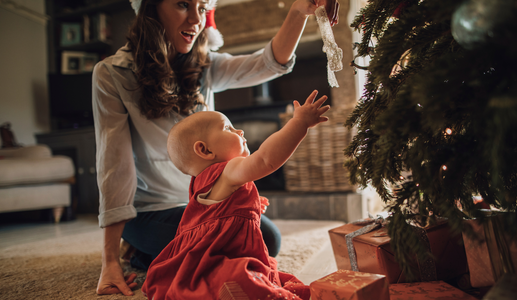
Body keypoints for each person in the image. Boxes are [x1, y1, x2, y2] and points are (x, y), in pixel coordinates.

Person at [92, 0, 339, 296]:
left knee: (267, 238)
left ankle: (150, 253)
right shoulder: (111, 73)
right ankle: (141, 247)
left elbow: (268, 62)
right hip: (148, 211)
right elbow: (114, 164)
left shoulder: (204, 65)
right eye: (183, 4)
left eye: (202, 6)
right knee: (216, 247)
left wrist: (299, 11)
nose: (196, 19)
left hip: (203, 204)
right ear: (151, 7)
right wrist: (108, 261)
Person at [142, 90, 329, 299]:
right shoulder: (228, 170)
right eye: (227, 128)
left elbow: (218, 212)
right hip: (218, 256)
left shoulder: (201, 181)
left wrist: (250, 204)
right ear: (204, 150)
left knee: (259, 272)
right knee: (241, 280)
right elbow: (265, 159)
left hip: (216, 250)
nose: (239, 130)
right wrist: (299, 124)